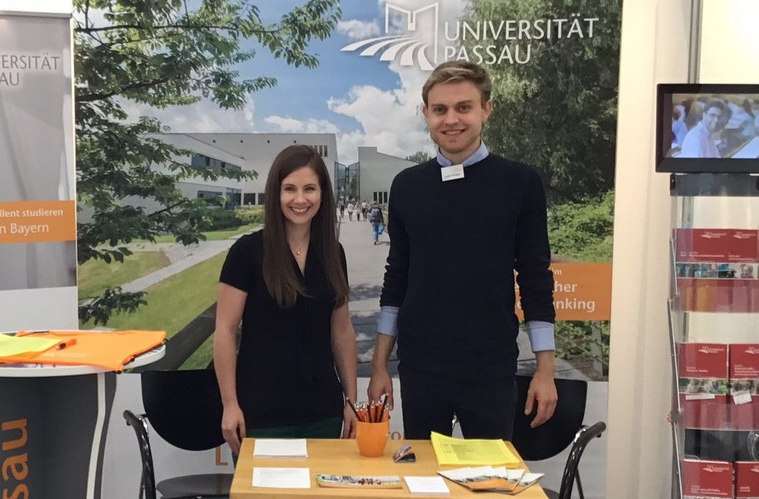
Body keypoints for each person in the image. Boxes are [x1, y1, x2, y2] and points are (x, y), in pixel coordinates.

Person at [367, 60, 558, 441]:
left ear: (487, 109)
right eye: (440, 109)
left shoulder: (520, 183)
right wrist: (379, 365)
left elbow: (536, 279)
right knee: (423, 483)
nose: (451, 119)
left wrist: (545, 370)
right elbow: (397, 277)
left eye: (463, 107)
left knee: (488, 485)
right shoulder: (406, 186)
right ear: (426, 114)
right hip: (422, 367)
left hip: (490, 367)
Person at [214, 144, 358, 455]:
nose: (300, 199)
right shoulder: (248, 252)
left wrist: (351, 400)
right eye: (289, 189)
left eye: (310, 188)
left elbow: (342, 331)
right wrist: (230, 404)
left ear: (323, 194)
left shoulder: (334, 254)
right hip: (262, 414)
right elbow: (224, 331)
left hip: (323, 412)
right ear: (276, 193)